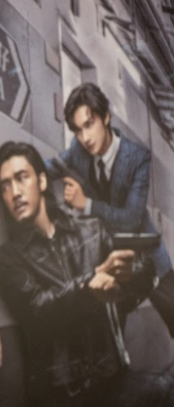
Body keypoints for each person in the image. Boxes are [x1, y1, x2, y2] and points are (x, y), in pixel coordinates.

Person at [0, 140, 174, 407]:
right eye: (4, 185)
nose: (14, 192)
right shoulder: (8, 259)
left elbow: (138, 274)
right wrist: (89, 286)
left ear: (41, 181)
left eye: (21, 178)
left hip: (112, 389)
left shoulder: (91, 229)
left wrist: (130, 274)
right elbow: (40, 309)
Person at [49, 82, 174, 338]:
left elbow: (131, 218)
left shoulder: (137, 158)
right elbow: (52, 164)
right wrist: (27, 170)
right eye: (78, 130)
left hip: (148, 256)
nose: (85, 137)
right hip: (113, 261)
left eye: (89, 124)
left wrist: (86, 204)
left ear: (105, 116)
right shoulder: (78, 152)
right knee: (110, 332)